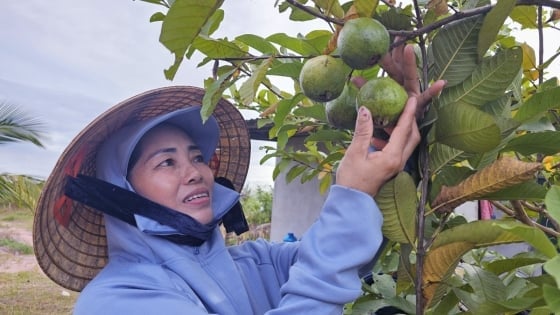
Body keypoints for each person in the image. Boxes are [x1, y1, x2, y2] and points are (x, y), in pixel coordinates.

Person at [33, 43, 445, 314]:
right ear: (118, 193)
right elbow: (323, 272)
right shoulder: (117, 301)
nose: (195, 171)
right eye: (166, 162)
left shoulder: (252, 263)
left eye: (196, 156)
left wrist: (386, 150)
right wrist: (350, 191)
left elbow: (341, 256)